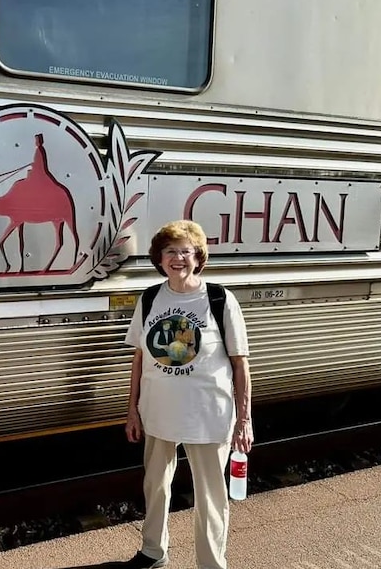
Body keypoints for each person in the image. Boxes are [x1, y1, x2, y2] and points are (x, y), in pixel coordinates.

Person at [123, 220, 253, 569]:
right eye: (170, 251)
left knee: (211, 497)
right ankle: (153, 551)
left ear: (198, 257)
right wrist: (132, 411)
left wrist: (244, 421)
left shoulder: (219, 299)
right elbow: (139, 358)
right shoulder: (150, 298)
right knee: (156, 485)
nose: (177, 258)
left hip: (208, 415)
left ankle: (211, 564)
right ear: (159, 258)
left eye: (185, 251)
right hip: (158, 412)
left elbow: (241, 365)